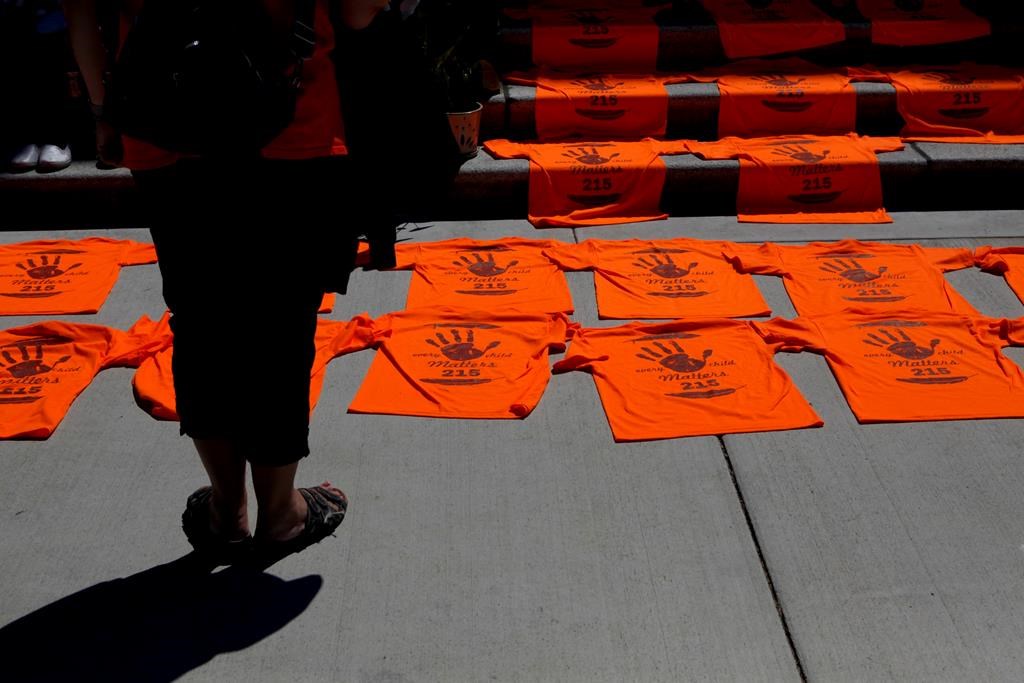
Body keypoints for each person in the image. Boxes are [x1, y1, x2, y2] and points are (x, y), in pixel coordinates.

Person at [66, 0, 398, 565]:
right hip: (289, 125)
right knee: (280, 325)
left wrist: (104, 110)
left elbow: (81, 10)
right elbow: (361, 11)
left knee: (200, 321)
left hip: (166, 117)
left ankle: (226, 510)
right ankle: (282, 514)